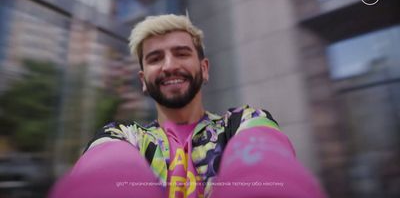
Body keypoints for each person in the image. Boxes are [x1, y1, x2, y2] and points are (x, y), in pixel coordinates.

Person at [50, 14, 327, 198]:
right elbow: (102, 176)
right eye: (155, 58)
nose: (170, 65)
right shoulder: (122, 136)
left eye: (181, 53)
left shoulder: (244, 123)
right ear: (143, 80)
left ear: (204, 69)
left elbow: (269, 171)